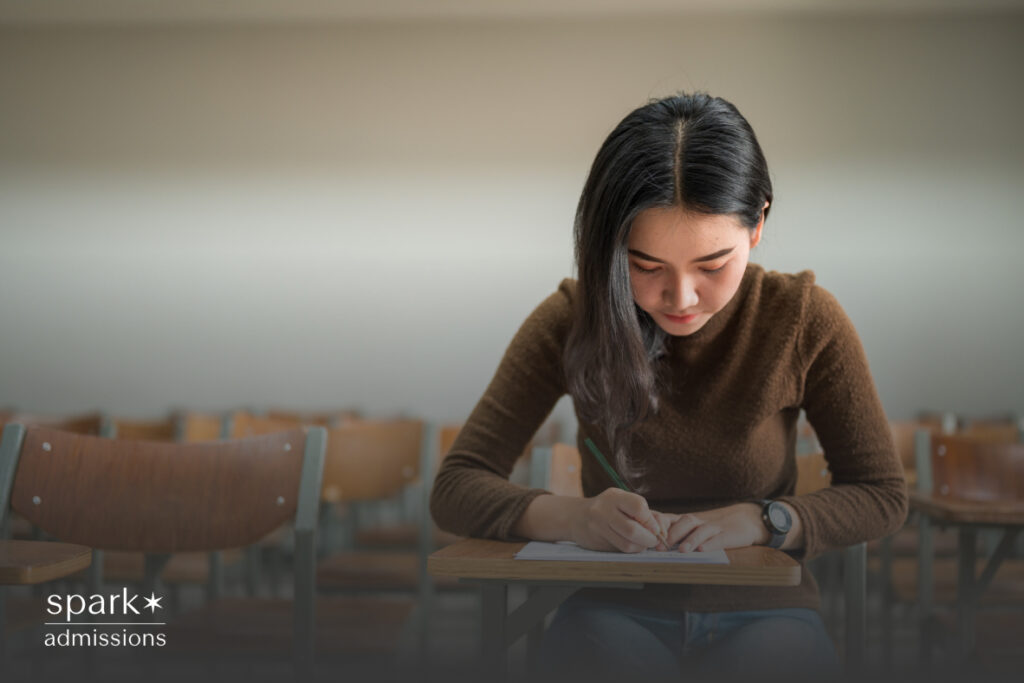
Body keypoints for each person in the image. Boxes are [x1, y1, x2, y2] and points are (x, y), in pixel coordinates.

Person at [429, 92, 908, 682]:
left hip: (765, 609)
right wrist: (572, 519)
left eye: (712, 266)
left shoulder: (804, 318)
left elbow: (882, 494)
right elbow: (455, 486)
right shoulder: (571, 318)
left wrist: (765, 520)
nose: (680, 299)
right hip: (609, 606)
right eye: (645, 266)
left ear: (758, 223)